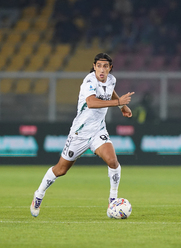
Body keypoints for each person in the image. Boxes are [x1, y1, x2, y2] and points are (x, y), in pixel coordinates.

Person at [30, 53, 135, 217]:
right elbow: (92, 103)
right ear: (94, 66)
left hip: (98, 131)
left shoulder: (111, 79)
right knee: (61, 170)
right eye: (99, 65)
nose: (102, 69)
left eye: (105, 66)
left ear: (110, 68)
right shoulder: (88, 82)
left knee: (113, 161)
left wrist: (121, 107)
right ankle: (39, 194)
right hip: (79, 133)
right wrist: (119, 103)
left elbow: (110, 90)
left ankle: (112, 200)